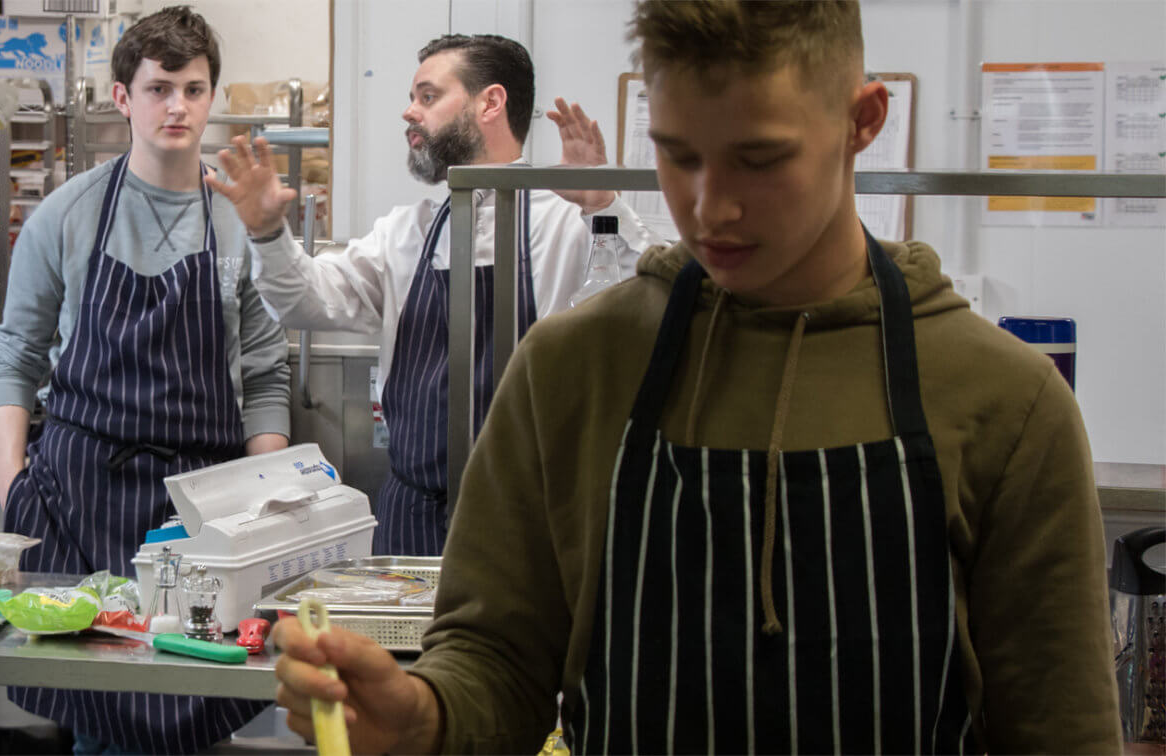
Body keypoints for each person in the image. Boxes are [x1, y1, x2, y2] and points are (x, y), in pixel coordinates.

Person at [270, 1, 1121, 752]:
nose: (711, 207)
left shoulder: (1003, 398)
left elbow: (1057, 729)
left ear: (863, 122)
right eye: (680, 156)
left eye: (758, 159)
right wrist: (422, 719)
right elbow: (501, 662)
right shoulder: (574, 370)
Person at [209, 34, 664, 557]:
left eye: (427, 97)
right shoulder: (408, 232)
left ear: (489, 103)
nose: (409, 111)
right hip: (414, 519)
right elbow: (305, 303)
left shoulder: (567, 223)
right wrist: (268, 232)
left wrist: (602, 204)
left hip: (535, 522)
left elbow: (650, 308)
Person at [0, 6, 289, 753]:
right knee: (101, 708)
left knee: (192, 697)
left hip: (201, 506)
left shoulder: (233, 225)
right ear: (123, 98)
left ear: (212, 95)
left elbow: (264, 368)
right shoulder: (66, 216)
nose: (177, 106)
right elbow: (16, 353)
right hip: (81, 499)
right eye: (158, 88)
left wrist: (263, 501)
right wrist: (9, 478)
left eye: (193, 88)